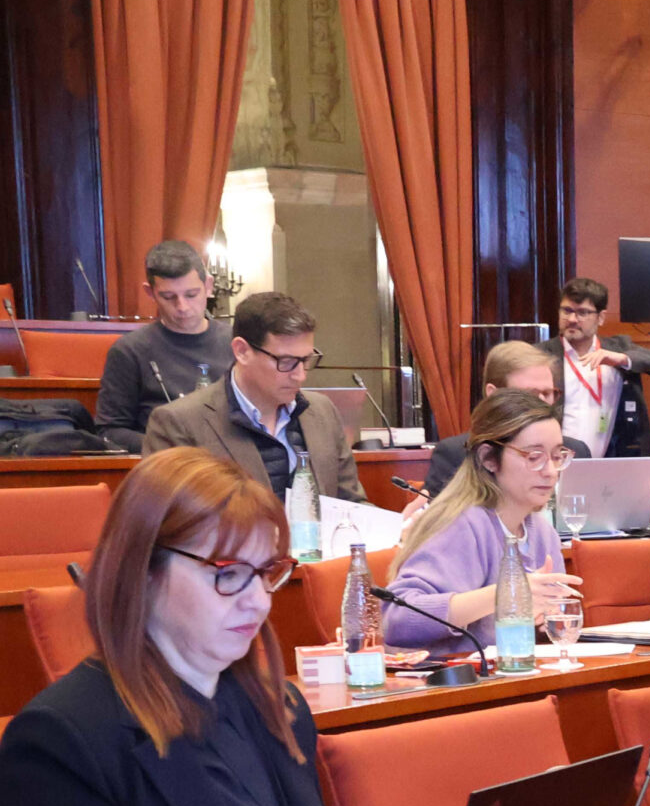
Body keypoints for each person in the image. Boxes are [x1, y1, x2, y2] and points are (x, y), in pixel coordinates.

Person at [0, 450, 446, 806]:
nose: (259, 600)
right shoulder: (60, 736)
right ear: (144, 571)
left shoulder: (276, 706)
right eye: (228, 574)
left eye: (267, 573)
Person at [381, 390, 578, 650]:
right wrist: (506, 595)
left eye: (557, 456)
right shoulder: (463, 524)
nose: (551, 471)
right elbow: (397, 619)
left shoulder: (542, 532)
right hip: (447, 674)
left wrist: (544, 618)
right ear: (488, 458)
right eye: (534, 457)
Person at [141, 290, 364, 503]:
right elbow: (171, 521)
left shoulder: (322, 411)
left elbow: (353, 505)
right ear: (242, 351)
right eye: (286, 362)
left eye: (306, 360)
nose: (300, 375)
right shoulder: (179, 424)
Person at [94, 239, 232, 449]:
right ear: (150, 293)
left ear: (208, 286)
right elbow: (110, 431)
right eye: (168, 297)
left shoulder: (238, 343)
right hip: (166, 461)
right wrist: (170, 449)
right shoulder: (129, 351)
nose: (182, 306)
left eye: (191, 295)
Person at [550, 277, 650, 461]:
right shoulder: (542, 355)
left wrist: (624, 359)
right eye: (567, 311)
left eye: (582, 313)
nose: (572, 319)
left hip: (612, 462)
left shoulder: (618, 349)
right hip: (555, 464)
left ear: (601, 317)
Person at [422, 341, 561, 497]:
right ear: (494, 394)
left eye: (547, 393)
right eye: (530, 394)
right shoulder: (455, 454)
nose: (541, 402)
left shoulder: (575, 452)